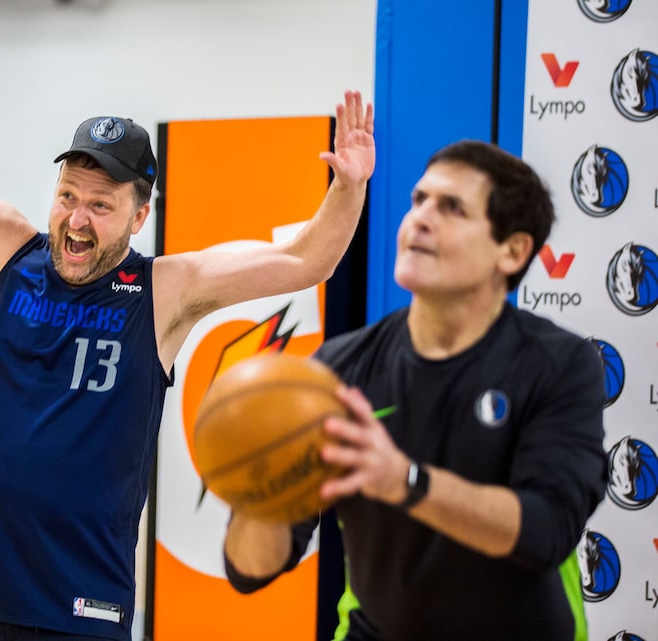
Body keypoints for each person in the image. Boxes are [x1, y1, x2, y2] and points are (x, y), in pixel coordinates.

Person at [0, 27, 375, 641]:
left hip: (79, 601)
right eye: (67, 197)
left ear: (139, 217)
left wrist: (347, 190)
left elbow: (304, 260)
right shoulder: (2, 247)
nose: (77, 220)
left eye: (101, 206)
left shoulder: (165, 291)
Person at [223, 140, 608, 641]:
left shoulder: (559, 363)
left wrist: (404, 480)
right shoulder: (336, 370)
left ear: (511, 250)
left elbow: (545, 531)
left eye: (452, 208)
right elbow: (250, 571)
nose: (421, 219)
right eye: (418, 200)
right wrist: (260, 492)